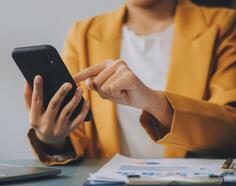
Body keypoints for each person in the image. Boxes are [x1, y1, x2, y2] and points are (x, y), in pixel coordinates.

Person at [23, 0, 236, 165]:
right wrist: (52, 139)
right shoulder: (84, 34)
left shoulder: (224, 25)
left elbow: (230, 131)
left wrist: (154, 102)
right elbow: (78, 133)